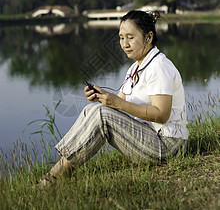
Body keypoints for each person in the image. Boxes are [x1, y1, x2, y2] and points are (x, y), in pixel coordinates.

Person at [38, 10, 188, 186]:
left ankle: (55, 177)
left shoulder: (159, 66)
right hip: (149, 137)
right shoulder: (134, 69)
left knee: (101, 115)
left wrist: (117, 103)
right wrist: (101, 98)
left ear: (148, 37)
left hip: (168, 146)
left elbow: (162, 114)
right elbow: (117, 107)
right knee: (92, 110)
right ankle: (62, 169)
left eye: (130, 37)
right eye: (121, 37)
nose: (125, 44)